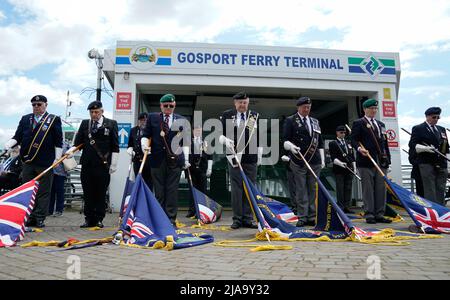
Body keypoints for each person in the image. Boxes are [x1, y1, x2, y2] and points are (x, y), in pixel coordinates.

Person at [5, 95, 63, 228]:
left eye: (39, 104)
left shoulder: (53, 119)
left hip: (45, 162)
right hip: (27, 161)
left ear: (45, 105)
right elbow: (18, 137)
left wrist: (57, 158)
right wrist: (8, 144)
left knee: (43, 191)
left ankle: (39, 218)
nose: (36, 107)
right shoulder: (26, 119)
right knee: (27, 190)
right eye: (34, 104)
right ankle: (28, 217)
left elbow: (58, 141)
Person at [67, 101, 119, 228]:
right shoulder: (85, 124)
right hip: (87, 164)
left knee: (100, 193)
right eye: (91, 112)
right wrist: (71, 151)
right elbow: (78, 143)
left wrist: (114, 164)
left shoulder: (111, 124)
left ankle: (99, 219)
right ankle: (88, 219)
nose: (94, 114)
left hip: (103, 165)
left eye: (96, 112)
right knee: (88, 193)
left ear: (102, 111)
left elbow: (115, 146)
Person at [140, 94, 190, 226]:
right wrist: (144, 145)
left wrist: (186, 159)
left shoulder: (182, 120)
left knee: (172, 190)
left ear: (175, 105)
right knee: (159, 191)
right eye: (165, 105)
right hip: (157, 159)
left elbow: (185, 142)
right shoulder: (153, 117)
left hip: (176, 160)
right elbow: (146, 135)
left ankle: (171, 220)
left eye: (171, 106)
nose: (168, 108)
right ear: (161, 106)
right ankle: (159, 218)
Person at [219, 91, 262, 229]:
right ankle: (237, 219)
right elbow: (220, 135)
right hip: (234, 156)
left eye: (245, 103)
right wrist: (224, 140)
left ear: (248, 103)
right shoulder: (226, 115)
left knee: (249, 188)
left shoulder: (254, 116)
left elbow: (258, 136)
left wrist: (259, 154)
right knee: (237, 189)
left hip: (250, 157)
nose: (242, 105)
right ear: (235, 103)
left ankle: (248, 218)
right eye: (240, 102)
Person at [283, 96, 325, 227]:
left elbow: (320, 142)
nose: (307, 109)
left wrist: (323, 159)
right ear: (298, 107)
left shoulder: (315, 121)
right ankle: (302, 216)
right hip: (299, 160)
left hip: (315, 160)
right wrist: (291, 147)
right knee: (301, 189)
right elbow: (285, 140)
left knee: (313, 188)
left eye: (309, 107)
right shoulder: (290, 120)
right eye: (304, 107)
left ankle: (312, 216)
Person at [351, 98, 392, 224]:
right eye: (371, 108)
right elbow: (353, 139)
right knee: (368, 189)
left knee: (381, 188)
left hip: (381, 161)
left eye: (375, 108)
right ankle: (369, 214)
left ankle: (380, 213)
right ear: (365, 109)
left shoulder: (381, 125)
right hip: (366, 161)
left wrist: (388, 160)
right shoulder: (359, 123)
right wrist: (359, 148)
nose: (374, 110)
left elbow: (385, 144)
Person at [408, 107, 449, 205]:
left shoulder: (441, 129)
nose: (436, 119)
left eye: (438, 117)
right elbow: (412, 145)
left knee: (440, 188)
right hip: (427, 163)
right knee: (429, 189)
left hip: (441, 163)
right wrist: (425, 148)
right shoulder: (419, 128)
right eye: (434, 117)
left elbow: (446, 146)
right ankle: (432, 210)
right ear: (427, 117)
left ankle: (440, 210)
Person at [185, 125, 213, 218]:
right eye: (196, 130)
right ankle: (192, 210)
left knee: (202, 191)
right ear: (193, 131)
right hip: (191, 169)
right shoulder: (188, 142)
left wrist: (209, 168)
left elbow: (210, 156)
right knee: (192, 190)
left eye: (199, 130)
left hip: (202, 170)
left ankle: (201, 211)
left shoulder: (205, 142)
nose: (197, 132)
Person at [328, 125, 356, 213]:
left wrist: (354, 168)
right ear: (337, 133)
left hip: (349, 168)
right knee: (340, 188)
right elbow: (333, 157)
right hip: (339, 169)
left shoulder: (348, 142)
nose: (343, 134)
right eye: (341, 132)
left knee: (348, 188)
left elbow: (352, 157)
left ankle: (347, 206)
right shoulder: (333, 143)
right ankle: (341, 206)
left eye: (344, 132)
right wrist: (340, 163)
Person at [127, 112, 152, 189]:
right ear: (138, 121)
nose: (143, 122)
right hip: (137, 160)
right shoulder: (133, 130)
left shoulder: (152, 130)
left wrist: (151, 150)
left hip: (149, 161)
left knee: (149, 183)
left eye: (145, 120)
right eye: (142, 120)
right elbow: (130, 144)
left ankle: (147, 200)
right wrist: (130, 150)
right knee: (138, 182)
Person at [48, 141, 70, 217]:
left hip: (60, 172)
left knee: (59, 192)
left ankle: (59, 210)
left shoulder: (64, 144)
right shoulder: (50, 142)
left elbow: (67, 154)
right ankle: (49, 210)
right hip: (50, 171)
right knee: (51, 192)